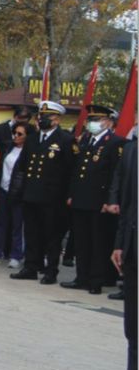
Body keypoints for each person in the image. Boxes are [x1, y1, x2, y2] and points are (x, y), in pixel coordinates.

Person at [12, 101, 75, 285]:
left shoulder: (66, 140)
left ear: (57, 119)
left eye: (47, 116)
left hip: (53, 198)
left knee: (52, 236)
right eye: (41, 116)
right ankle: (31, 267)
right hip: (31, 194)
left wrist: (68, 196)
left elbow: (71, 171)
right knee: (32, 233)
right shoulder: (32, 139)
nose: (43, 119)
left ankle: (51, 270)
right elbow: (23, 167)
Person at [95, 134, 136, 370]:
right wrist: (120, 244)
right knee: (133, 323)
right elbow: (128, 204)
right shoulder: (132, 150)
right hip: (133, 246)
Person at [64, 103, 120, 295]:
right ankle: (81, 277)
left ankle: (96, 280)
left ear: (107, 122)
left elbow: (114, 175)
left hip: (99, 202)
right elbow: (76, 171)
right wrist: (71, 194)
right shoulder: (85, 141)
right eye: (91, 120)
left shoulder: (113, 143)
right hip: (80, 199)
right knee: (81, 241)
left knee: (97, 242)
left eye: (96, 120)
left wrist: (110, 200)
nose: (92, 123)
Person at [0, 120, 29, 269]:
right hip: (3, 190)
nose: (16, 136)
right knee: (0, 223)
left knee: (17, 226)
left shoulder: (28, 151)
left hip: (18, 193)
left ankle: (16, 255)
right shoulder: (9, 148)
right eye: (14, 133)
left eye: (20, 134)